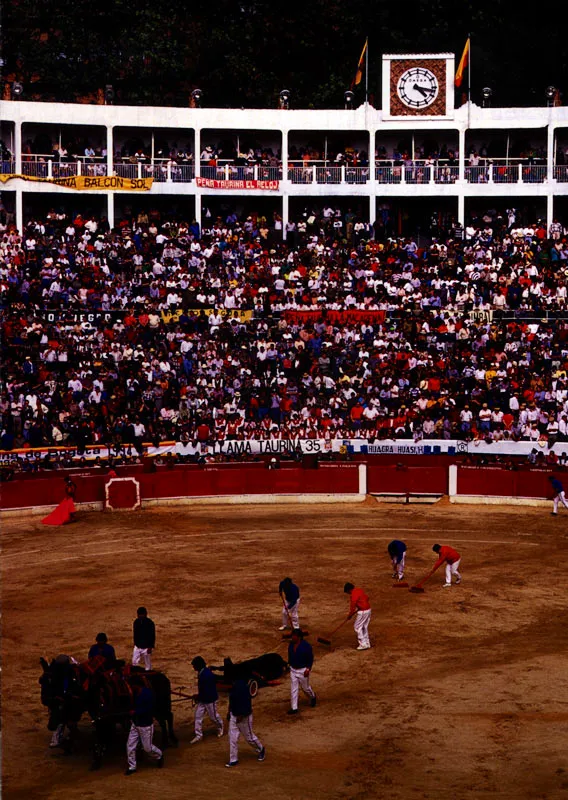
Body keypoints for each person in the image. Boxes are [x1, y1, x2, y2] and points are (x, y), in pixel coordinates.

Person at [225, 675, 265, 768]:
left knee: (249, 738)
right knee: (232, 738)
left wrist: (241, 716)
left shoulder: (242, 690)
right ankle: (233, 759)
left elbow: (247, 706)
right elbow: (232, 702)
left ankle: (261, 749)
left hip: (244, 718)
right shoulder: (237, 688)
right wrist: (229, 712)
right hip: (234, 716)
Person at [125, 686, 164, 775]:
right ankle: (132, 767)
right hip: (135, 723)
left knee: (148, 748)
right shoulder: (135, 693)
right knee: (130, 745)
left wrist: (136, 712)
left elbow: (149, 709)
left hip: (145, 725)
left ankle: (159, 755)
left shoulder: (147, 694)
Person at [190, 655, 224, 743]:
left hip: (210, 700)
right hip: (203, 699)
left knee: (213, 717)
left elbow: (207, 691)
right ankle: (199, 735)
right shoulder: (203, 672)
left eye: (194, 665)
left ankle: (220, 727)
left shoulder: (206, 675)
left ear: (198, 665)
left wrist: (198, 696)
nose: (193, 667)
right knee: (198, 716)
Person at [287, 628, 316, 714]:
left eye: (294, 636)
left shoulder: (306, 646)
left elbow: (310, 658)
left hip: (302, 670)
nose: (292, 637)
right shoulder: (291, 645)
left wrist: (308, 669)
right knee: (294, 689)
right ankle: (294, 708)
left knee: (305, 688)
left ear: (299, 637)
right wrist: (289, 665)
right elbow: (290, 655)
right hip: (293, 670)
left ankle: (312, 696)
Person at [343, 583, 372, 650]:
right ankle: (367, 643)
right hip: (368, 610)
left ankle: (363, 644)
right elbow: (367, 598)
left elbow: (353, 606)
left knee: (357, 626)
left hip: (363, 612)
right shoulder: (359, 590)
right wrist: (361, 604)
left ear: (349, 590)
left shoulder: (353, 594)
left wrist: (350, 615)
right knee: (364, 626)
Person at [132, 607, 156, 671]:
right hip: (138, 646)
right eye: (140, 614)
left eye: (142, 614)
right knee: (134, 662)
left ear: (146, 614)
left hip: (146, 646)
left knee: (147, 664)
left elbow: (152, 635)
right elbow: (135, 634)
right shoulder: (136, 622)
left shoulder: (150, 623)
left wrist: (150, 646)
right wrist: (136, 644)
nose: (141, 616)